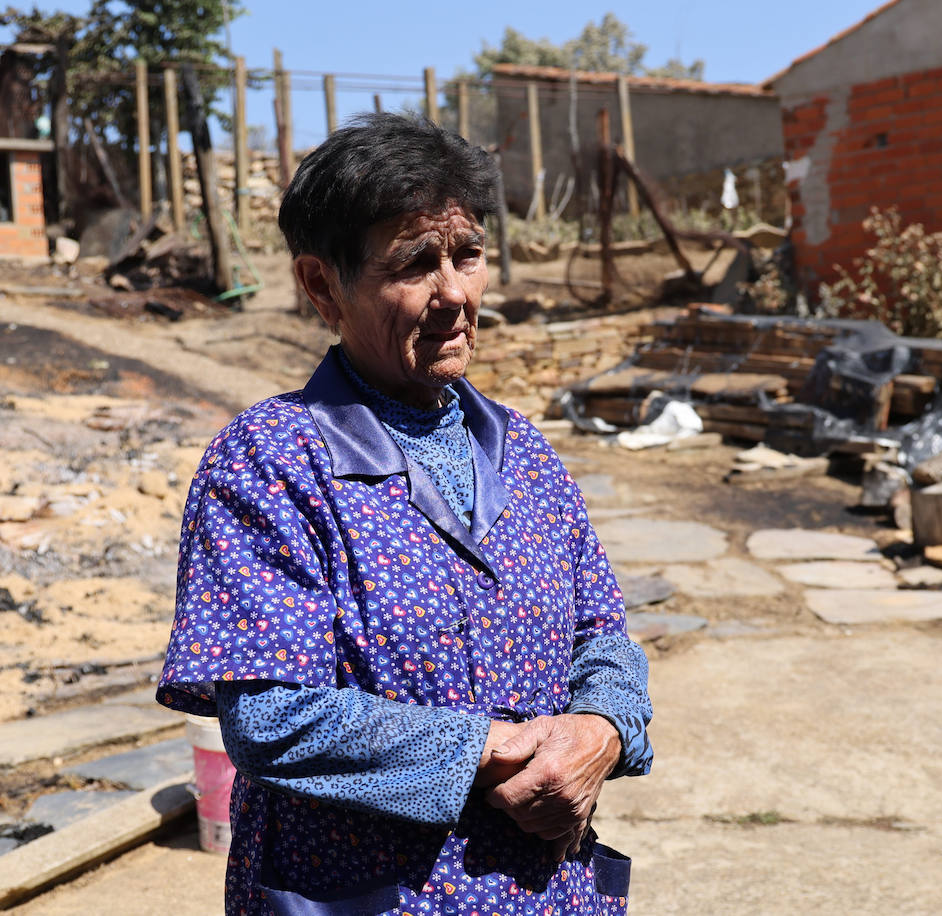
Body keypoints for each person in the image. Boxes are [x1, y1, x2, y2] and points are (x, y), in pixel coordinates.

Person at [156, 113, 652, 916]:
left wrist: (601, 729)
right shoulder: (269, 463)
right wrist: (495, 749)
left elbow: (604, 637)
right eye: (415, 264)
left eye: (468, 256)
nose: (455, 293)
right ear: (322, 286)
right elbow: (271, 715)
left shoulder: (522, 452)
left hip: (543, 894)